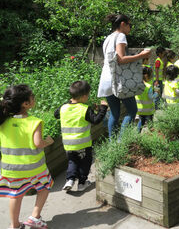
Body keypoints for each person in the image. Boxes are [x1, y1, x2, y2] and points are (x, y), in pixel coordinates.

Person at [0, 85, 54, 229]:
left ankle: (15, 225)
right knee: (45, 187)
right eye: (32, 97)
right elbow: (38, 143)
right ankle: (35, 217)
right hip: (34, 167)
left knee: (15, 195)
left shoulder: (3, 121)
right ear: (25, 104)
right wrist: (48, 141)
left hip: (11, 169)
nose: (34, 98)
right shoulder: (34, 122)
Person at [97, 14, 151, 138]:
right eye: (129, 25)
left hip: (106, 79)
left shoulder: (108, 38)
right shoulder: (121, 36)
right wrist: (141, 55)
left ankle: (113, 144)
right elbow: (120, 59)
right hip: (118, 80)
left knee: (115, 114)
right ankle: (122, 142)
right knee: (132, 111)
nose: (130, 28)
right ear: (123, 24)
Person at [54, 80, 108, 192]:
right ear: (84, 96)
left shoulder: (63, 108)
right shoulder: (85, 109)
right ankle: (82, 183)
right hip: (83, 144)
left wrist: (68, 102)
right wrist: (103, 108)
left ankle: (70, 179)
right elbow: (96, 120)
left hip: (68, 144)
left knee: (72, 161)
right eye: (87, 95)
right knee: (85, 162)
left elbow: (56, 114)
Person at [135, 67, 156, 132]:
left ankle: (137, 135)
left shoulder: (137, 85)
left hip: (139, 109)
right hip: (148, 110)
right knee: (150, 124)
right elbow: (151, 97)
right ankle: (153, 136)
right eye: (151, 75)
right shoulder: (148, 86)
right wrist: (156, 93)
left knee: (141, 122)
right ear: (146, 76)